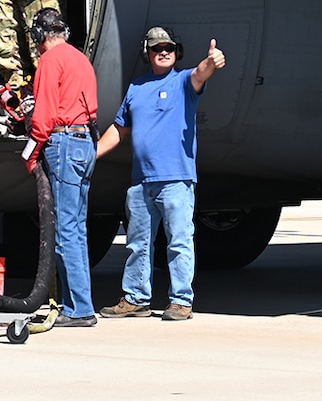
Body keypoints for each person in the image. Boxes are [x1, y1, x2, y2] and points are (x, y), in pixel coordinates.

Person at [95, 27, 225, 321]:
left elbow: (201, 74)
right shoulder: (136, 88)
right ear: (148, 53)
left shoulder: (182, 82)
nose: (163, 51)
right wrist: (92, 155)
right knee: (137, 244)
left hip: (176, 180)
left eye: (168, 47)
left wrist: (211, 61)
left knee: (179, 241)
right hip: (141, 182)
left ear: (176, 51)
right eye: (156, 48)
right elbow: (119, 130)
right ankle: (135, 298)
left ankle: (181, 300)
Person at [26, 6, 98, 327]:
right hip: (85, 142)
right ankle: (79, 302)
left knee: (65, 229)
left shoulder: (50, 61)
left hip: (64, 143)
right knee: (77, 227)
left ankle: (80, 309)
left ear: (41, 35)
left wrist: (30, 152)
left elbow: (43, 118)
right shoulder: (79, 58)